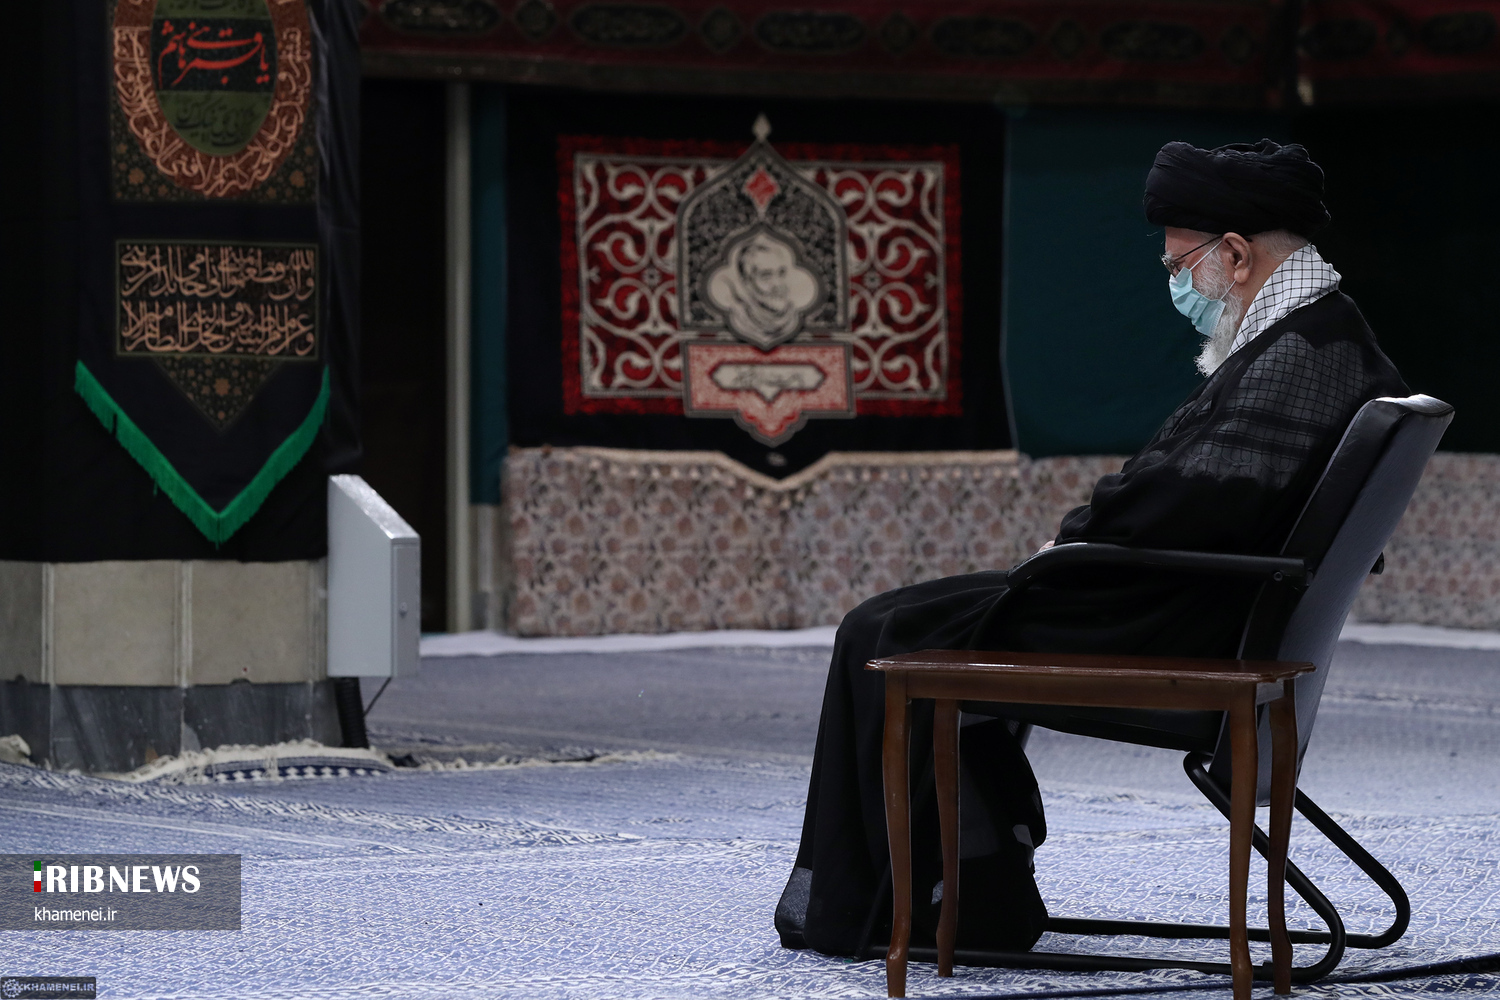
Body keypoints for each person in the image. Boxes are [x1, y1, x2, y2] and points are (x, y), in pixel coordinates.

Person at [775, 139, 1409, 957]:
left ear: (1236, 255)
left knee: (882, 632)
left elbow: (1189, 501)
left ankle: (897, 905)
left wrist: (1076, 540)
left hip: (1175, 620)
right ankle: (973, 891)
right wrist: (1088, 535)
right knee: (910, 617)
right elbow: (1196, 490)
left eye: (1180, 265)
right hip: (1205, 604)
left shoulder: (1302, 355)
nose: (1175, 283)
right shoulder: (1324, 335)